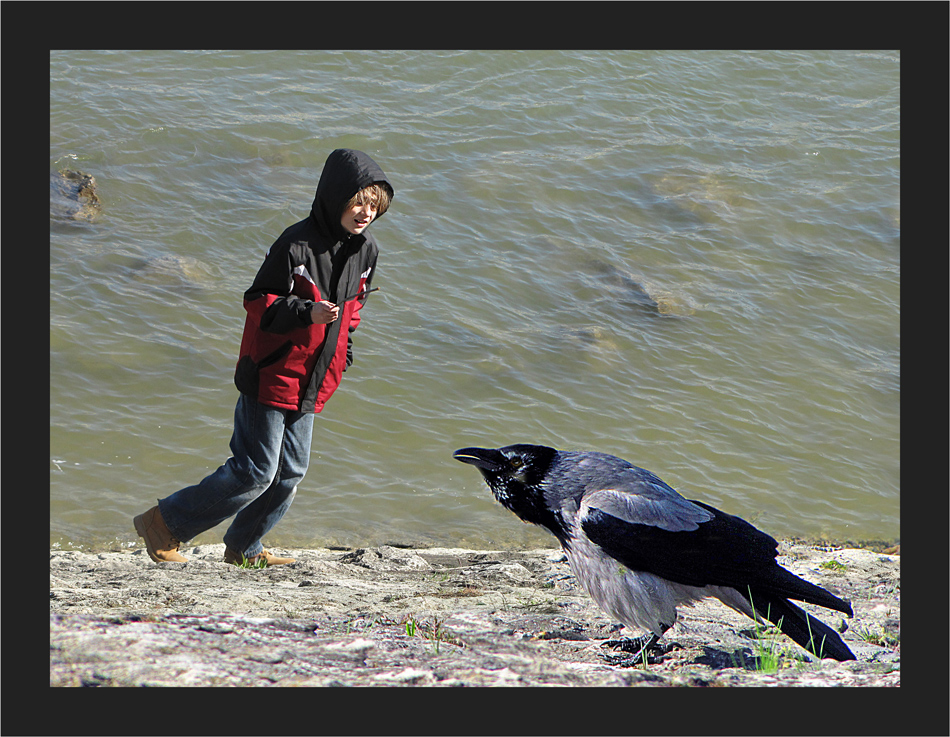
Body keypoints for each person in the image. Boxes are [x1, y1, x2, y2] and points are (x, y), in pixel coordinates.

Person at [134, 148, 394, 566]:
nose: (365, 213)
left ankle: (244, 547)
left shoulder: (367, 251)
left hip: (313, 379)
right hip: (272, 373)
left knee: (290, 472)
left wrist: (343, 353)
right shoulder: (295, 244)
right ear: (335, 199)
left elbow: (354, 310)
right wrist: (306, 312)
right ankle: (164, 523)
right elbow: (257, 301)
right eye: (358, 202)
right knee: (255, 471)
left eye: (374, 206)